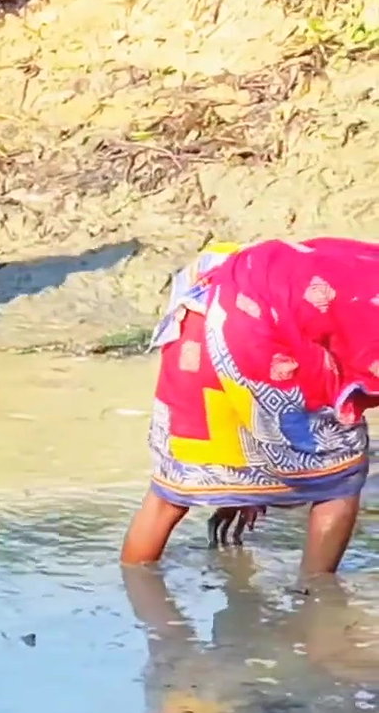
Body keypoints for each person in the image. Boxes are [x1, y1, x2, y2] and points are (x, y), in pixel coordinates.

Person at [121, 238, 379, 574]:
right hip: (257, 332)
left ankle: (135, 586)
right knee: (340, 476)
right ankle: (314, 595)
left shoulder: (363, 260)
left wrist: (247, 478)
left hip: (202, 314)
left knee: (169, 493)